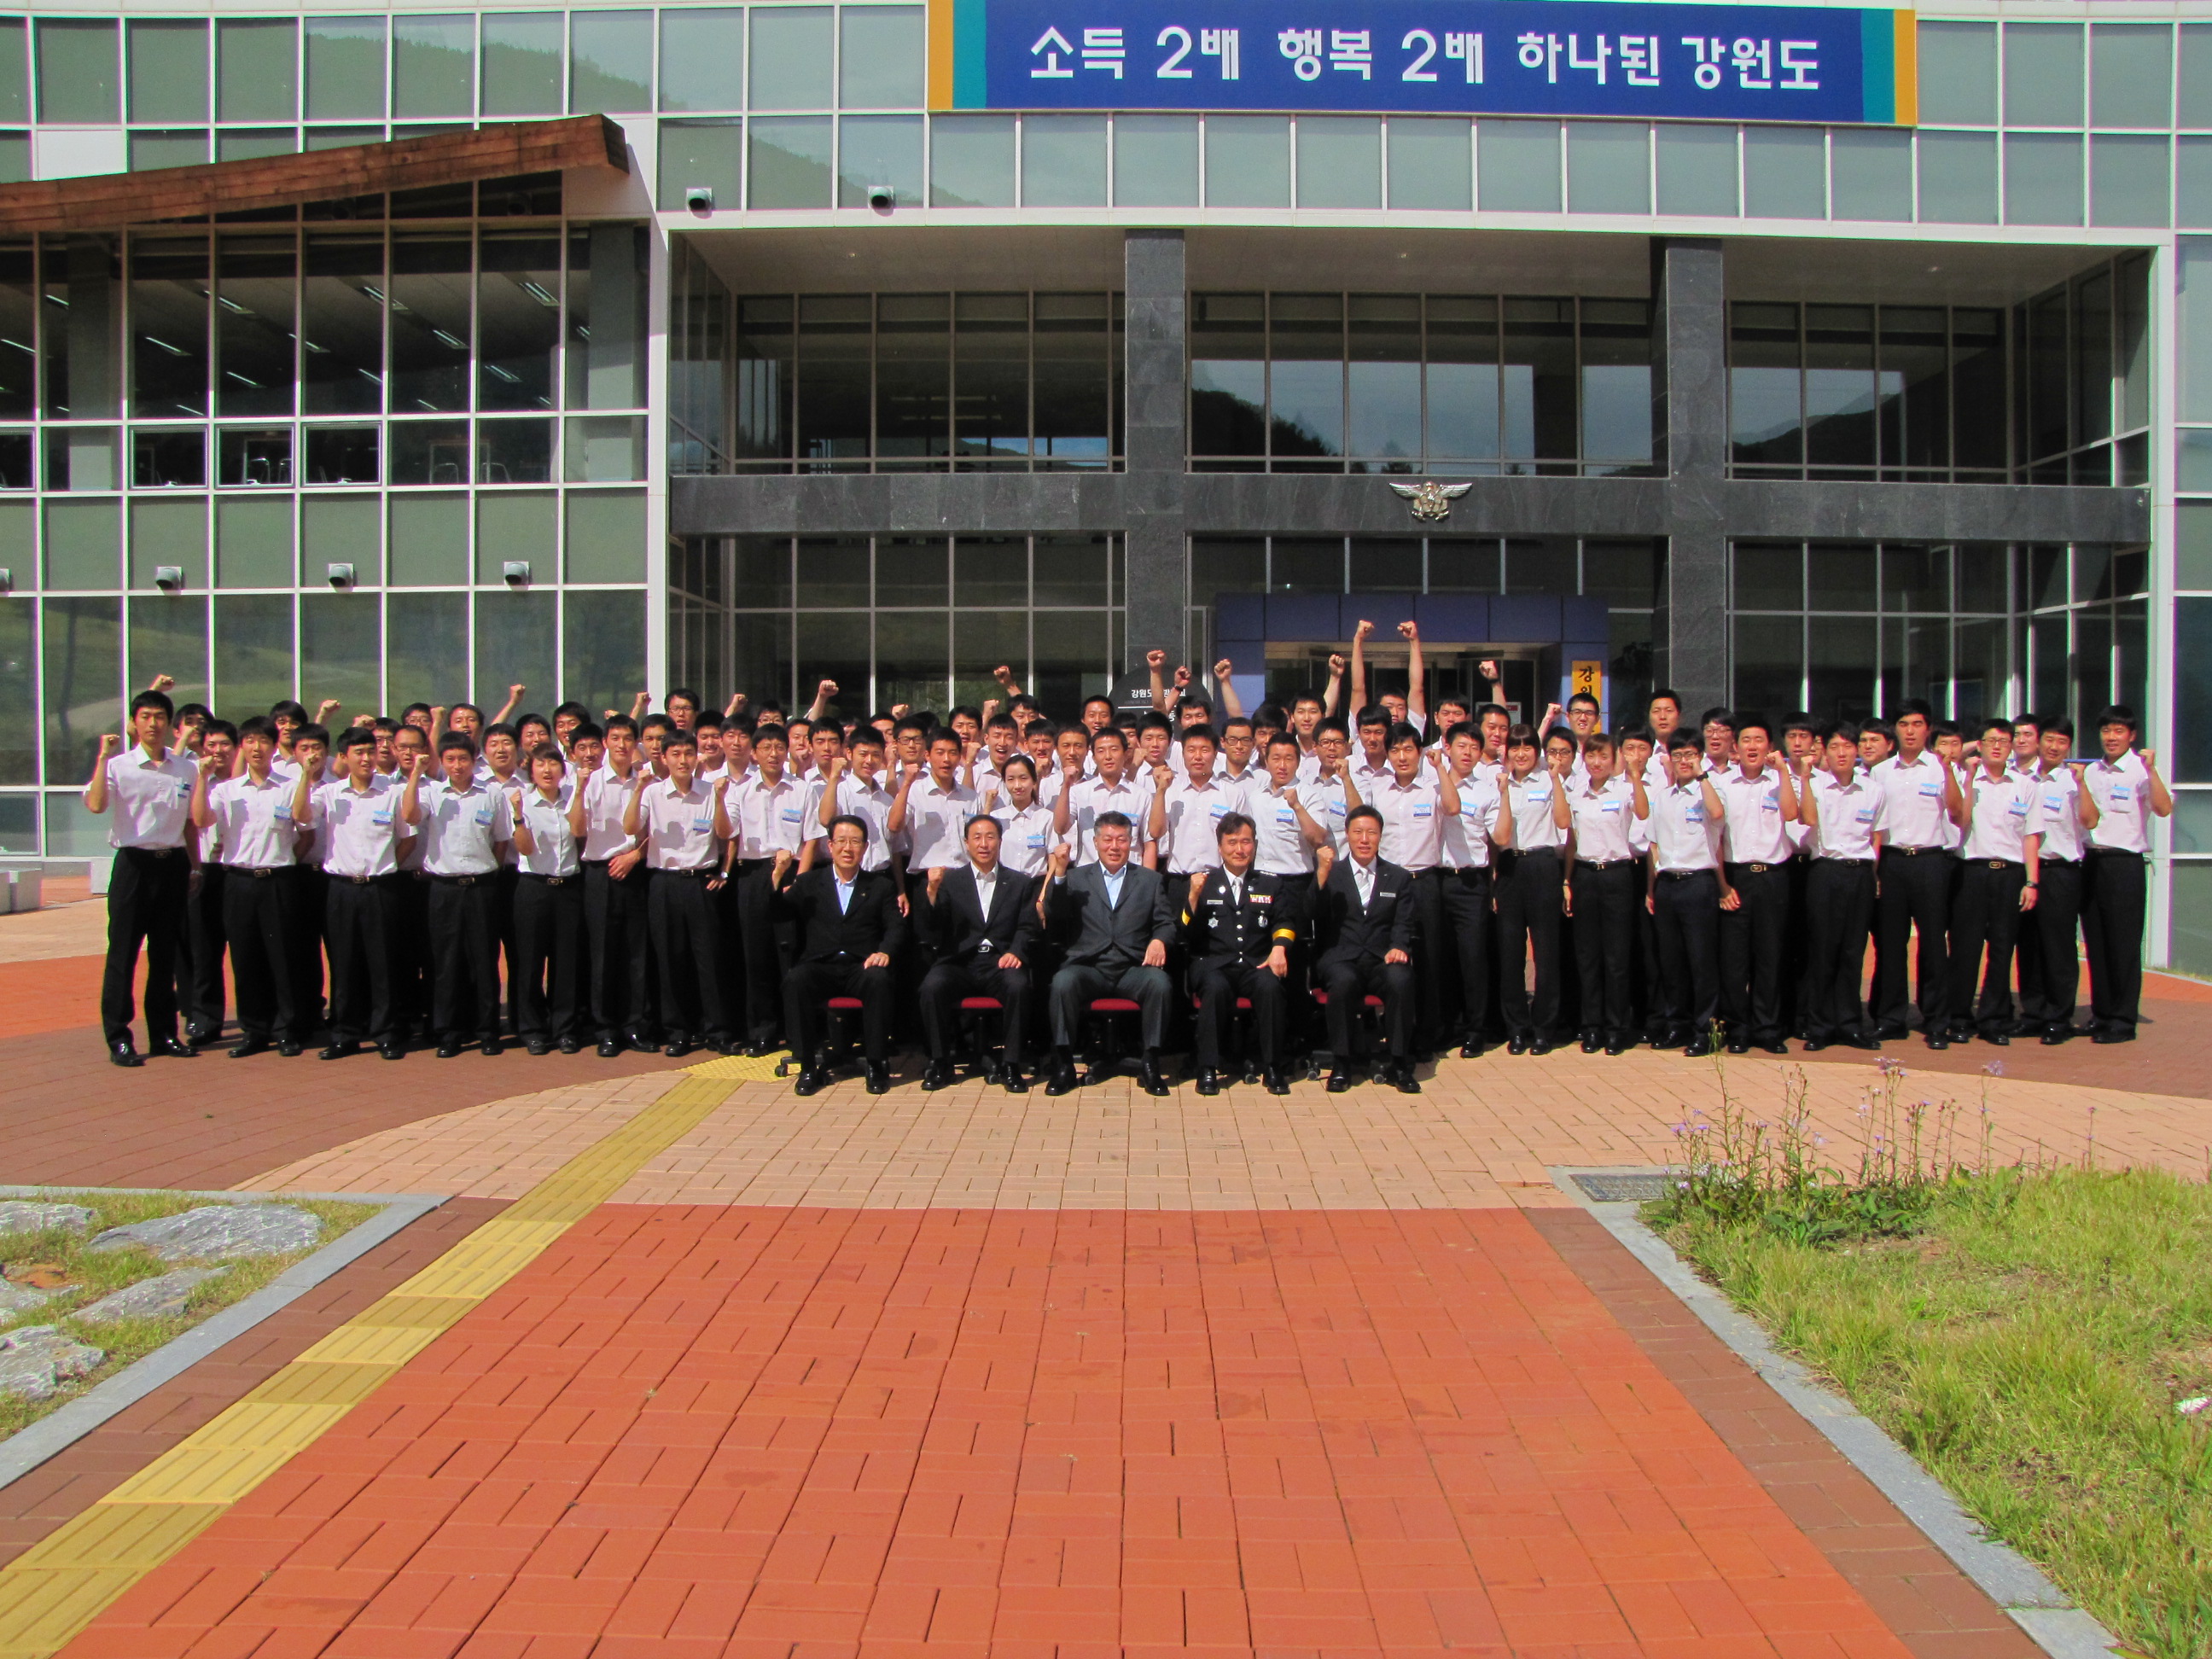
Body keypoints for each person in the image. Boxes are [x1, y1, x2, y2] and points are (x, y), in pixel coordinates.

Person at [84, 690, 201, 1067]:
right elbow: (96, 805)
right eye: (146, 717)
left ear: (170, 723)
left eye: (160, 717)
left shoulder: (186, 769)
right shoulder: (118, 766)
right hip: (133, 866)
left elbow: (189, 823)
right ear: (134, 723)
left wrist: (194, 866)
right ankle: (119, 1037)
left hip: (172, 865)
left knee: (165, 954)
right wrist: (102, 759)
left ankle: (164, 1033)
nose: (153, 723)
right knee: (123, 954)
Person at [1040, 812, 1176, 1096]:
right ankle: (1064, 1064)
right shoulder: (1076, 877)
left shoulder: (1149, 880)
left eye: (1121, 840)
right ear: (1095, 842)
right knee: (1062, 983)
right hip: (1089, 966)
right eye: (1108, 839)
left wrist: (1159, 940)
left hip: (1132, 967)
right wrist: (1060, 873)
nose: (1114, 846)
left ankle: (1150, 1062)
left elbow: (1166, 922)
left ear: (1131, 843)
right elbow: (1055, 914)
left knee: (1160, 983)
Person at [197, 715, 305, 1057]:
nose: (257, 748)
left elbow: (306, 827)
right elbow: (201, 819)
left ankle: (285, 1029)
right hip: (239, 882)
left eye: (264, 741)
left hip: (278, 881)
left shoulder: (290, 786)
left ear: (274, 747)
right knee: (245, 958)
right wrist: (200, 778)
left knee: (282, 958)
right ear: (241, 747)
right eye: (250, 741)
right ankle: (254, 1030)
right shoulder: (226, 791)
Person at [624, 729, 734, 1057]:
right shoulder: (653, 792)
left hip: (701, 882)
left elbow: (725, 833)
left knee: (709, 958)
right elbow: (630, 828)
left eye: (688, 753)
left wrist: (720, 799)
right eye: (676, 754)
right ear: (664, 757)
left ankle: (717, 1030)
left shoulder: (710, 790)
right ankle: (678, 1032)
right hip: (665, 882)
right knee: (671, 959)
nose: (683, 760)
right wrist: (638, 789)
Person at [777, 814, 905, 1096]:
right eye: (842, 841)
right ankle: (808, 1066)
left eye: (855, 842)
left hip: (861, 964)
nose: (848, 848)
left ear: (865, 847)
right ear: (830, 845)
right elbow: (777, 913)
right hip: (821, 964)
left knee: (879, 980)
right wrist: (777, 878)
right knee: (796, 981)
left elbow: (896, 926)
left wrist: (885, 952)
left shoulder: (880, 886)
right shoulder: (809, 882)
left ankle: (876, 1064)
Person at [402, 733, 513, 1057]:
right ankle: (449, 1032)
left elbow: (501, 840)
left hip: (482, 887)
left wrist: (488, 869)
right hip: (444, 889)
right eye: (450, 759)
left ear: (474, 759)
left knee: (485, 960)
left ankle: (488, 1030)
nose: (457, 765)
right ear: (442, 761)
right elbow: (409, 816)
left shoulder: (491, 794)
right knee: (446, 962)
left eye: (463, 759)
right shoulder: (432, 793)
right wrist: (416, 773)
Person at [307, 725, 410, 1061]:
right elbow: (301, 816)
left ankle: (386, 1033)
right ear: (343, 757)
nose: (366, 758)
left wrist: (387, 864)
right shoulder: (329, 793)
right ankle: (345, 1034)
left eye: (371, 751)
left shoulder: (392, 792)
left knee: (383, 963)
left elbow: (408, 837)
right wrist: (306, 776)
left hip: (381, 887)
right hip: (341, 889)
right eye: (359, 753)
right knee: (344, 963)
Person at [917, 815, 1039, 1092]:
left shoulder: (1019, 882)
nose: (984, 844)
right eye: (977, 838)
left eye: (990, 837)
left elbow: (1028, 925)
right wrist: (931, 892)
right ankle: (940, 1063)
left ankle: (1011, 1064)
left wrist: (1016, 952)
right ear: (967, 843)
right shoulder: (950, 881)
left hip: (999, 962)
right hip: (960, 962)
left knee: (1018, 986)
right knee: (931, 987)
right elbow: (932, 928)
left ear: (1000, 841)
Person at [1183, 812, 1300, 1096]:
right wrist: (1193, 898)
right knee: (1214, 988)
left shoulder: (1270, 883)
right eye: (1232, 842)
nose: (1239, 849)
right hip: (1214, 965)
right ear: (1220, 846)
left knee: (1270, 987)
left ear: (1255, 845)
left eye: (1246, 842)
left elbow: (1285, 921)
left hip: (1255, 963)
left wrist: (1279, 949)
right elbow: (1185, 933)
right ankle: (1207, 1068)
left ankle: (1273, 1067)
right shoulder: (1203, 882)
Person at [1869, 701, 1962, 1047]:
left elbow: (1957, 812)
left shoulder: (1942, 768)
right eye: (1904, 724)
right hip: (1892, 861)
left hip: (1930, 861)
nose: (1910, 731)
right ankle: (1891, 1018)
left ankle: (1936, 1020)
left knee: (1933, 943)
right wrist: (1875, 871)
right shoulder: (1880, 772)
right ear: (1895, 730)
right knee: (1891, 943)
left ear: (1928, 729)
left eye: (1917, 724)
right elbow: (1873, 826)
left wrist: (1949, 772)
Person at [1310, 804, 1418, 1093]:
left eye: (1372, 833)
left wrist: (1399, 946)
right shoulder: (1332, 873)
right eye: (1358, 832)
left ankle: (1399, 1063)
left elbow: (1404, 921)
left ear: (1381, 836)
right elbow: (1310, 913)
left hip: (1381, 957)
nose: (1364, 839)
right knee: (1343, 982)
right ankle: (1341, 1063)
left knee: (1401, 979)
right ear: (1347, 835)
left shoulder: (1397, 876)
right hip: (1341, 957)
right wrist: (1321, 876)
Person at [2079, 705, 2171, 1044]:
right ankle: (2102, 1013)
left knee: (2123, 944)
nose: (2111, 737)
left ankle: (2122, 1019)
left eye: (2118, 731)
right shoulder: (2092, 771)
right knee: (2096, 942)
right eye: (2106, 731)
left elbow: (2163, 808)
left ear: (2131, 736)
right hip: (2092, 860)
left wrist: (2152, 770)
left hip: (2125, 864)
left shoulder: (2140, 770)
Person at [1708, 715, 1799, 1055]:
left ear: (1769, 747)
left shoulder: (1779, 781)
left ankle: (1767, 1028)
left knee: (1769, 956)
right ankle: (1738, 1029)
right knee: (1735, 960)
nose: (1752, 747)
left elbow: (1791, 814)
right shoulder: (1722, 784)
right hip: (1736, 877)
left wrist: (1784, 772)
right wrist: (1722, 886)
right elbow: (1716, 839)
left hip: (1774, 877)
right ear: (1736, 747)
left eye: (1759, 740)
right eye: (1746, 740)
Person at [1947, 717, 2039, 1045]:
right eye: (1990, 741)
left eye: (2004, 741)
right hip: (1972, 871)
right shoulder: (1965, 778)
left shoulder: (2025, 785)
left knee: (2002, 949)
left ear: (2012, 746)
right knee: (1965, 948)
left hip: (2010, 874)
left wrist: (2032, 882)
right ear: (1980, 745)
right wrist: (1971, 776)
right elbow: (1961, 819)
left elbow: (2031, 836)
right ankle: (1959, 1017)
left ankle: (1993, 1019)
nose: (1997, 747)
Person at [1635, 731, 1726, 1056]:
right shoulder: (1663, 798)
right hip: (1668, 885)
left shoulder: (1709, 791)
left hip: (1699, 883)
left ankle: (1705, 1029)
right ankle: (1677, 1025)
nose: (1684, 761)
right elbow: (1653, 845)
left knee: (1701, 961)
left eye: (1690, 755)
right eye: (1678, 755)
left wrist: (1702, 776)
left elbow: (1717, 815)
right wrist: (1652, 889)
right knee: (1671, 962)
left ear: (1700, 757)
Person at [1793, 724, 1881, 1051]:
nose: (1841, 753)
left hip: (1859, 873)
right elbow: (1807, 819)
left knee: (1852, 951)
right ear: (1824, 752)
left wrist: (1874, 875)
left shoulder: (1873, 789)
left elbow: (1876, 835)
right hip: (1825, 872)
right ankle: (1820, 1026)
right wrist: (1805, 779)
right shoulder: (1814, 785)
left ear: (1856, 750)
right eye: (1834, 747)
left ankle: (1850, 1024)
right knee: (1823, 950)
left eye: (1847, 746)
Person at [571, 716, 655, 1057]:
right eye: (615, 738)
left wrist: (634, 856)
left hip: (636, 870)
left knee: (636, 952)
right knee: (603, 953)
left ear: (635, 743)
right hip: (599, 872)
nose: (621, 745)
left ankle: (635, 1025)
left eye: (627, 738)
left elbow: (656, 829)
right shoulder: (590, 781)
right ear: (606, 742)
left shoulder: (647, 781)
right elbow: (577, 829)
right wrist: (579, 789)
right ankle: (605, 1029)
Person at [724, 723, 806, 1055]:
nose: (774, 754)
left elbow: (812, 838)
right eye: (766, 748)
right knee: (756, 953)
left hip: (792, 873)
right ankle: (763, 1030)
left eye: (779, 747)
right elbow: (726, 832)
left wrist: (800, 878)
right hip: (754, 874)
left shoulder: (801, 789)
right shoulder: (739, 791)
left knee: (792, 951)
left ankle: (798, 1030)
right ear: (754, 754)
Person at [1494, 724, 1571, 1054]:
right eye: (1515, 747)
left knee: (1546, 952)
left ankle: (1543, 1028)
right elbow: (1497, 837)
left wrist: (1555, 779)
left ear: (1537, 752)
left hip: (1542, 865)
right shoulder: (1499, 782)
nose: (1521, 753)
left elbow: (1564, 822)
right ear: (1507, 751)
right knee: (1511, 953)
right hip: (1510, 867)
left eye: (1527, 747)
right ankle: (1516, 1028)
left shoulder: (1548, 780)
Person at [509, 742, 585, 1054]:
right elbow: (525, 848)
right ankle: (533, 1029)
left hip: (568, 888)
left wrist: (580, 793)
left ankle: (564, 1028)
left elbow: (580, 833)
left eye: (553, 763)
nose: (547, 770)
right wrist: (518, 817)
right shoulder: (521, 802)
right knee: (530, 961)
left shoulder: (572, 799)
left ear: (562, 770)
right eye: (540, 764)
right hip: (534, 887)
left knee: (566, 962)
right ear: (531, 770)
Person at [1565, 731, 1638, 1055]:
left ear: (1614, 758)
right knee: (1588, 956)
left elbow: (1644, 813)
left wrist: (1634, 776)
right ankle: (1591, 1027)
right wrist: (1567, 881)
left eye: (1604, 756)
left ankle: (1617, 1028)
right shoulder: (1576, 794)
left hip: (1617, 875)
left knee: (1617, 958)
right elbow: (1571, 841)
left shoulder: (1625, 791)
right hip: (1585, 876)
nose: (1597, 762)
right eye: (1592, 756)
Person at [1436, 719, 1506, 1058]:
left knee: (1473, 958)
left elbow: (1500, 837)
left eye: (1474, 748)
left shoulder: (1487, 791)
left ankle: (1476, 1029)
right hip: (1436, 879)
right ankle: (1447, 1026)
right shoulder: (1430, 784)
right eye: (1461, 746)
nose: (1467, 753)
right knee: (1442, 958)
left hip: (1471, 882)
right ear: (1447, 748)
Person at [2023, 718, 2088, 1043]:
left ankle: (2058, 1018)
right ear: (2039, 741)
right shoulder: (2022, 777)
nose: (2053, 747)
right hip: (2027, 872)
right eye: (2049, 739)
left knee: (2058, 946)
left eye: (2062, 741)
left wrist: (2083, 785)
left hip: (2060, 871)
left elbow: (2090, 820)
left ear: (2069, 746)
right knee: (2029, 945)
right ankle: (2033, 1013)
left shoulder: (2073, 782)